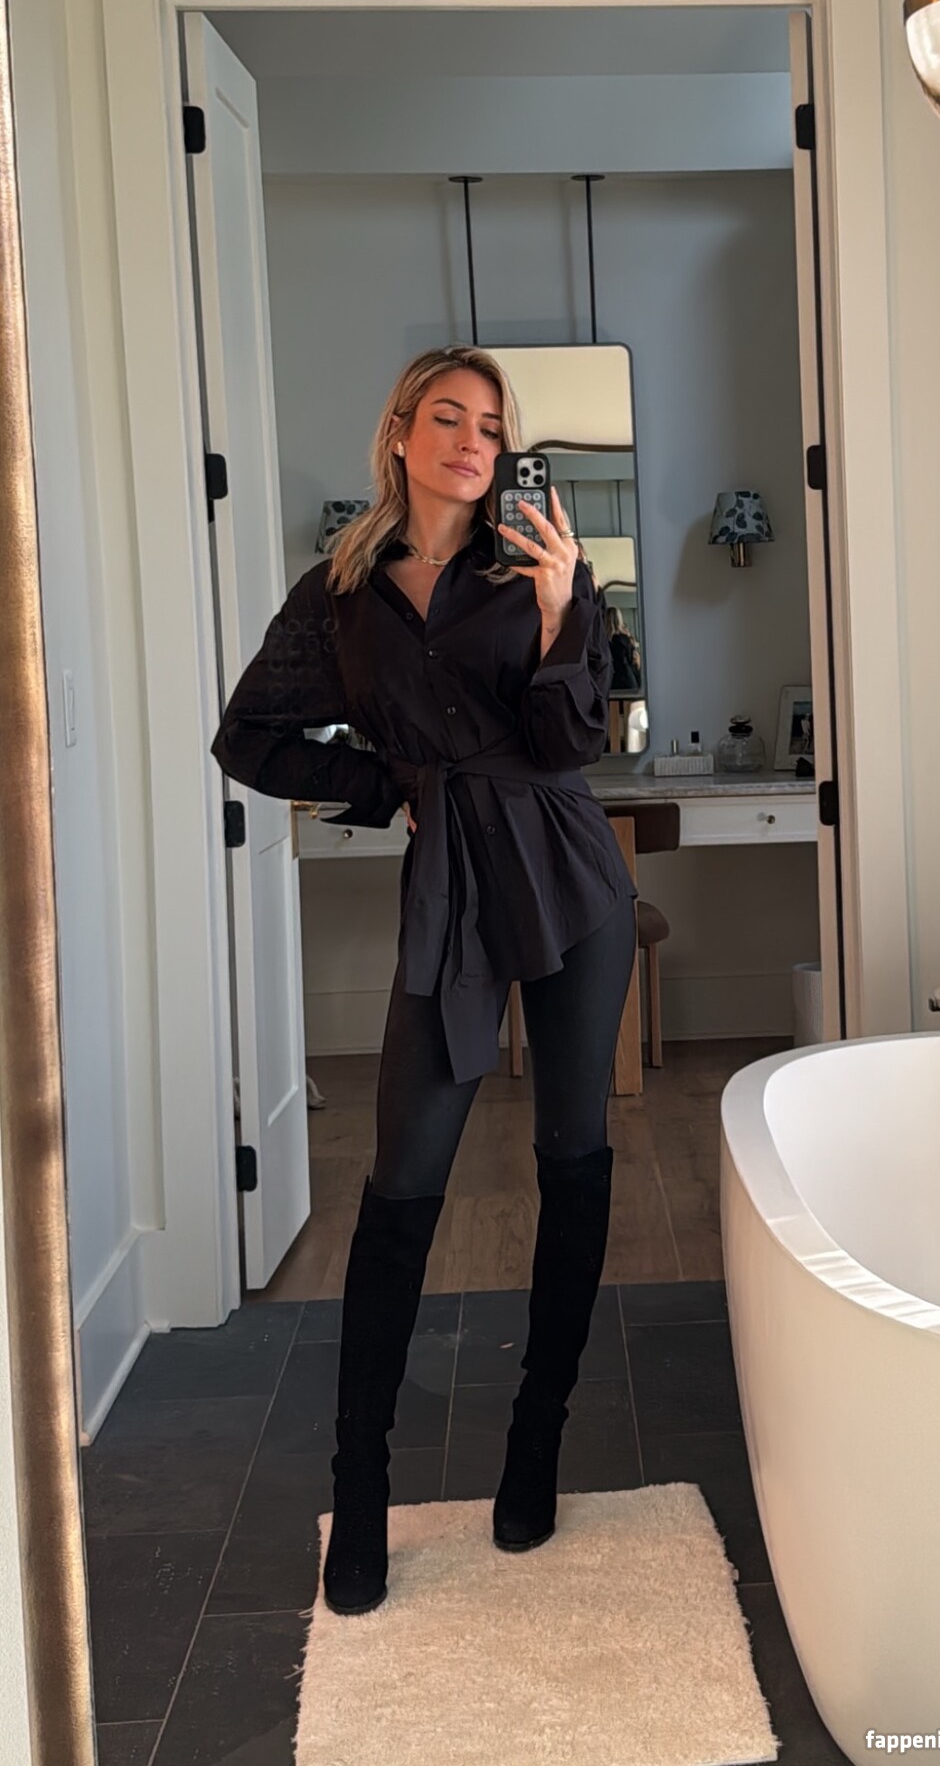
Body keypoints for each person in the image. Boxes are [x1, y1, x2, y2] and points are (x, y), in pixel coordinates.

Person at [211, 346, 638, 1616]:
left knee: (573, 1155)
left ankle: (535, 1447)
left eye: (491, 427)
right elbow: (247, 737)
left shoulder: (540, 572)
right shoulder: (341, 594)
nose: (471, 442)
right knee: (403, 1179)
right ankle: (362, 1490)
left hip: (570, 878)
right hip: (451, 884)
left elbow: (577, 739)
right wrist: (387, 784)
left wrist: (562, 611)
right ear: (401, 431)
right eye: (448, 417)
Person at [605, 606, 642, 693]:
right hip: (628, 680)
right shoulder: (625, 639)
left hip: (611, 682)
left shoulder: (603, 641)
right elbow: (633, 661)